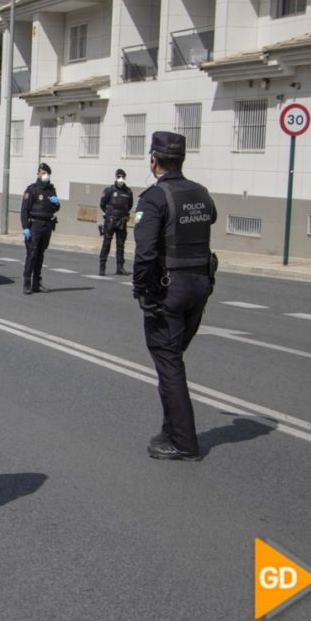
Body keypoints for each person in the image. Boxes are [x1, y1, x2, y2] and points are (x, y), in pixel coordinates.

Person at [132, 131, 217, 461]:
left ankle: (183, 441)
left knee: (169, 364)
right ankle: (171, 430)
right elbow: (209, 217)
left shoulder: (154, 198)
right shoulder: (201, 192)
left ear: (154, 160)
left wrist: (143, 291)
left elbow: (146, 252)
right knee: (172, 360)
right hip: (200, 286)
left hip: (170, 290)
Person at [20, 163, 61, 295]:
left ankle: (36, 283)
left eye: (47, 173)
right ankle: (27, 283)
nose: (45, 175)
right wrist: (25, 227)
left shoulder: (51, 190)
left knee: (40, 255)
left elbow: (54, 208)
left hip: (47, 225)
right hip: (34, 226)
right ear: (38, 173)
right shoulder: (32, 190)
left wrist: (57, 204)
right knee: (32, 254)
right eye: (43, 173)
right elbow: (24, 210)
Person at [98, 168, 134, 276]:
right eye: (119, 177)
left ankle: (120, 267)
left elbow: (130, 205)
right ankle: (102, 267)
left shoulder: (128, 192)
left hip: (122, 221)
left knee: (120, 245)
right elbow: (102, 204)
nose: (121, 179)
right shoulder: (109, 190)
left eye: (123, 177)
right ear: (116, 177)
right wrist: (108, 214)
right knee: (106, 244)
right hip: (110, 220)